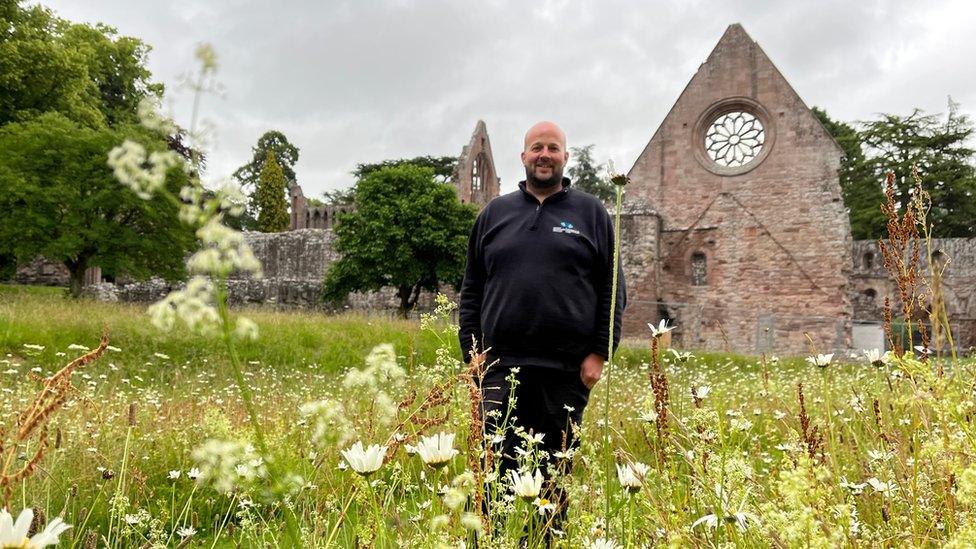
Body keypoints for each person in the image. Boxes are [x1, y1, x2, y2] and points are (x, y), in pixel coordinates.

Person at [458, 121, 626, 527]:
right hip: (499, 372)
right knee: (491, 477)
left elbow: (613, 288)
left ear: (565, 157)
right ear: (524, 157)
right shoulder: (494, 215)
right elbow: (472, 289)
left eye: (553, 148)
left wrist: (599, 354)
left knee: (550, 483)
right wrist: (471, 354)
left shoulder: (592, 213)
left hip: (564, 374)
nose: (544, 155)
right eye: (537, 148)